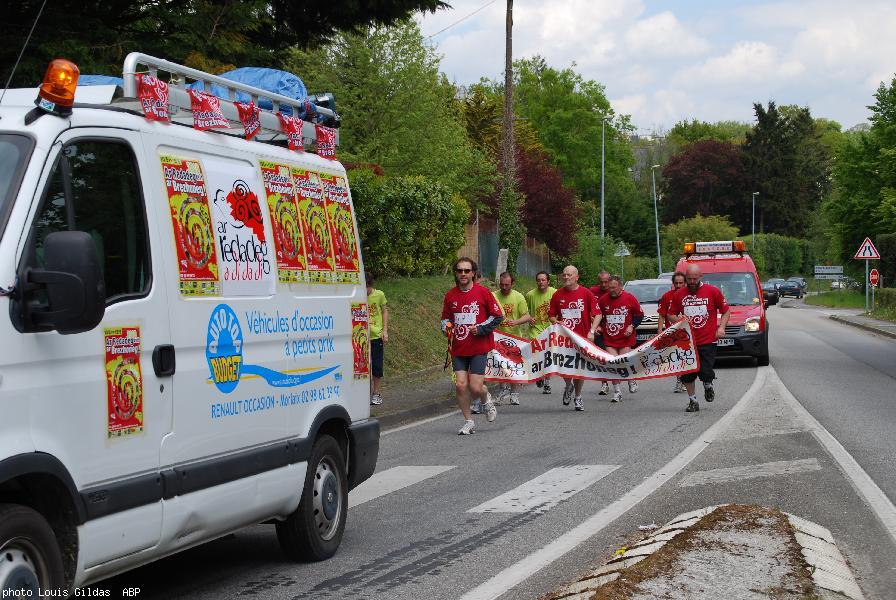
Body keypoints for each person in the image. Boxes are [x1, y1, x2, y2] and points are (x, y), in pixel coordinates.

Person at [441, 257, 504, 434]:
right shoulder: (450, 295)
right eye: (459, 270)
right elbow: (445, 318)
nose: (463, 274)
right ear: (455, 273)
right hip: (459, 348)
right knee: (461, 385)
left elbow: (498, 316)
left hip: (478, 347)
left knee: (476, 387)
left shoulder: (483, 293)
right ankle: (468, 421)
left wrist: (482, 328)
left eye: (466, 271)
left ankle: (485, 397)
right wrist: (446, 327)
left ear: (473, 273)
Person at [668, 264, 731, 413]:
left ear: (701, 277)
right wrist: (678, 319)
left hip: (708, 341)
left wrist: (721, 328)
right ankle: (693, 401)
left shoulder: (713, 291)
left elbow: (726, 311)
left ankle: (708, 385)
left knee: (705, 372)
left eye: (694, 279)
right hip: (687, 343)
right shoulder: (678, 294)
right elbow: (670, 314)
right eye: (688, 279)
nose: (691, 282)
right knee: (687, 375)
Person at [549, 265, 600, 411]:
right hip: (565, 340)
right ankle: (568, 385)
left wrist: (592, 330)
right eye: (564, 275)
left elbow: (598, 314)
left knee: (580, 369)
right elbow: (552, 315)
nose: (566, 277)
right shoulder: (557, 295)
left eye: (569, 275)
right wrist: (555, 321)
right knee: (565, 367)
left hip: (582, 339)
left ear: (576, 277)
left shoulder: (586, 293)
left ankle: (578, 397)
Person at [595, 275, 644, 403]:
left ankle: (631, 379)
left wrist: (632, 326)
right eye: (610, 288)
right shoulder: (603, 300)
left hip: (625, 338)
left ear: (621, 287)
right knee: (613, 363)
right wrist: (598, 326)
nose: (611, 290)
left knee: (623, 362)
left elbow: (639, 315)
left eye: (614, 287)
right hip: (609, 338)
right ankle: (617, 392)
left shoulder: (629, 298)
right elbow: (596, 315)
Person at [493, 272, 530, 405]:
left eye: (507, 285)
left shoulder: (518, 296)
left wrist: (516, 322)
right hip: (497, 337)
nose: (504, 287)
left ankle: (514, 394)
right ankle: (503, 390)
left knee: (514, 366)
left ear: (512, 284)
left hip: (514, 337)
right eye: (502, 285)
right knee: (500, 365)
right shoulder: (493, 296)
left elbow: (526, 316)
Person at [525, 271, 557, 394]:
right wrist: (529, 318)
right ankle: (539, 375)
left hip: (550, 328)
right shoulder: (530, 295)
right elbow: (524, 310)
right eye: (539, 280)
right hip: (535, 329)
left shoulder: (554, 293)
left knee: (547, 356)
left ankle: (547, 382)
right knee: (537, 355)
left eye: (543, 280)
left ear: (548, 281)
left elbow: (560, 308)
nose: (541, 282)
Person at [657, 271, 687, 393]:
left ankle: (685, 379)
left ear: (685, 283)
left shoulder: (689, 295)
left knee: (685, 357)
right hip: (672, 332)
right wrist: (660, 331)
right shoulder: (666, 296)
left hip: (687, 331)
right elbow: (661, 315)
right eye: (676, 283)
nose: (678, 285)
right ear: (673, 283)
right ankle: (680, 380)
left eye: (681, 283)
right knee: (676, 358)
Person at [366, 273, 389, 405]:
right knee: (364, 367)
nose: (365, 292)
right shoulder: (357, 296)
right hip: (362, 337)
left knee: (376, 367)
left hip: (376, 336)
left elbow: (385, 311)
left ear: (370, 285)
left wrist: (385, 330)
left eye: (367, 288)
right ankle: (365, 394)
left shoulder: (379, 294)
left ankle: (376, 393)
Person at [588, 270, 612, 396]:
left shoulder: (614, 290)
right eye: (601, 282)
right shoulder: (592, 291)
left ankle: (628, 378)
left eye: (606, 282)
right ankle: (604, 383)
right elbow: (587, 310)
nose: (604, 285)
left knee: (615, 356)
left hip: (613, 330)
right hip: (598, 330)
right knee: (601, 357)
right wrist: (594, 326)